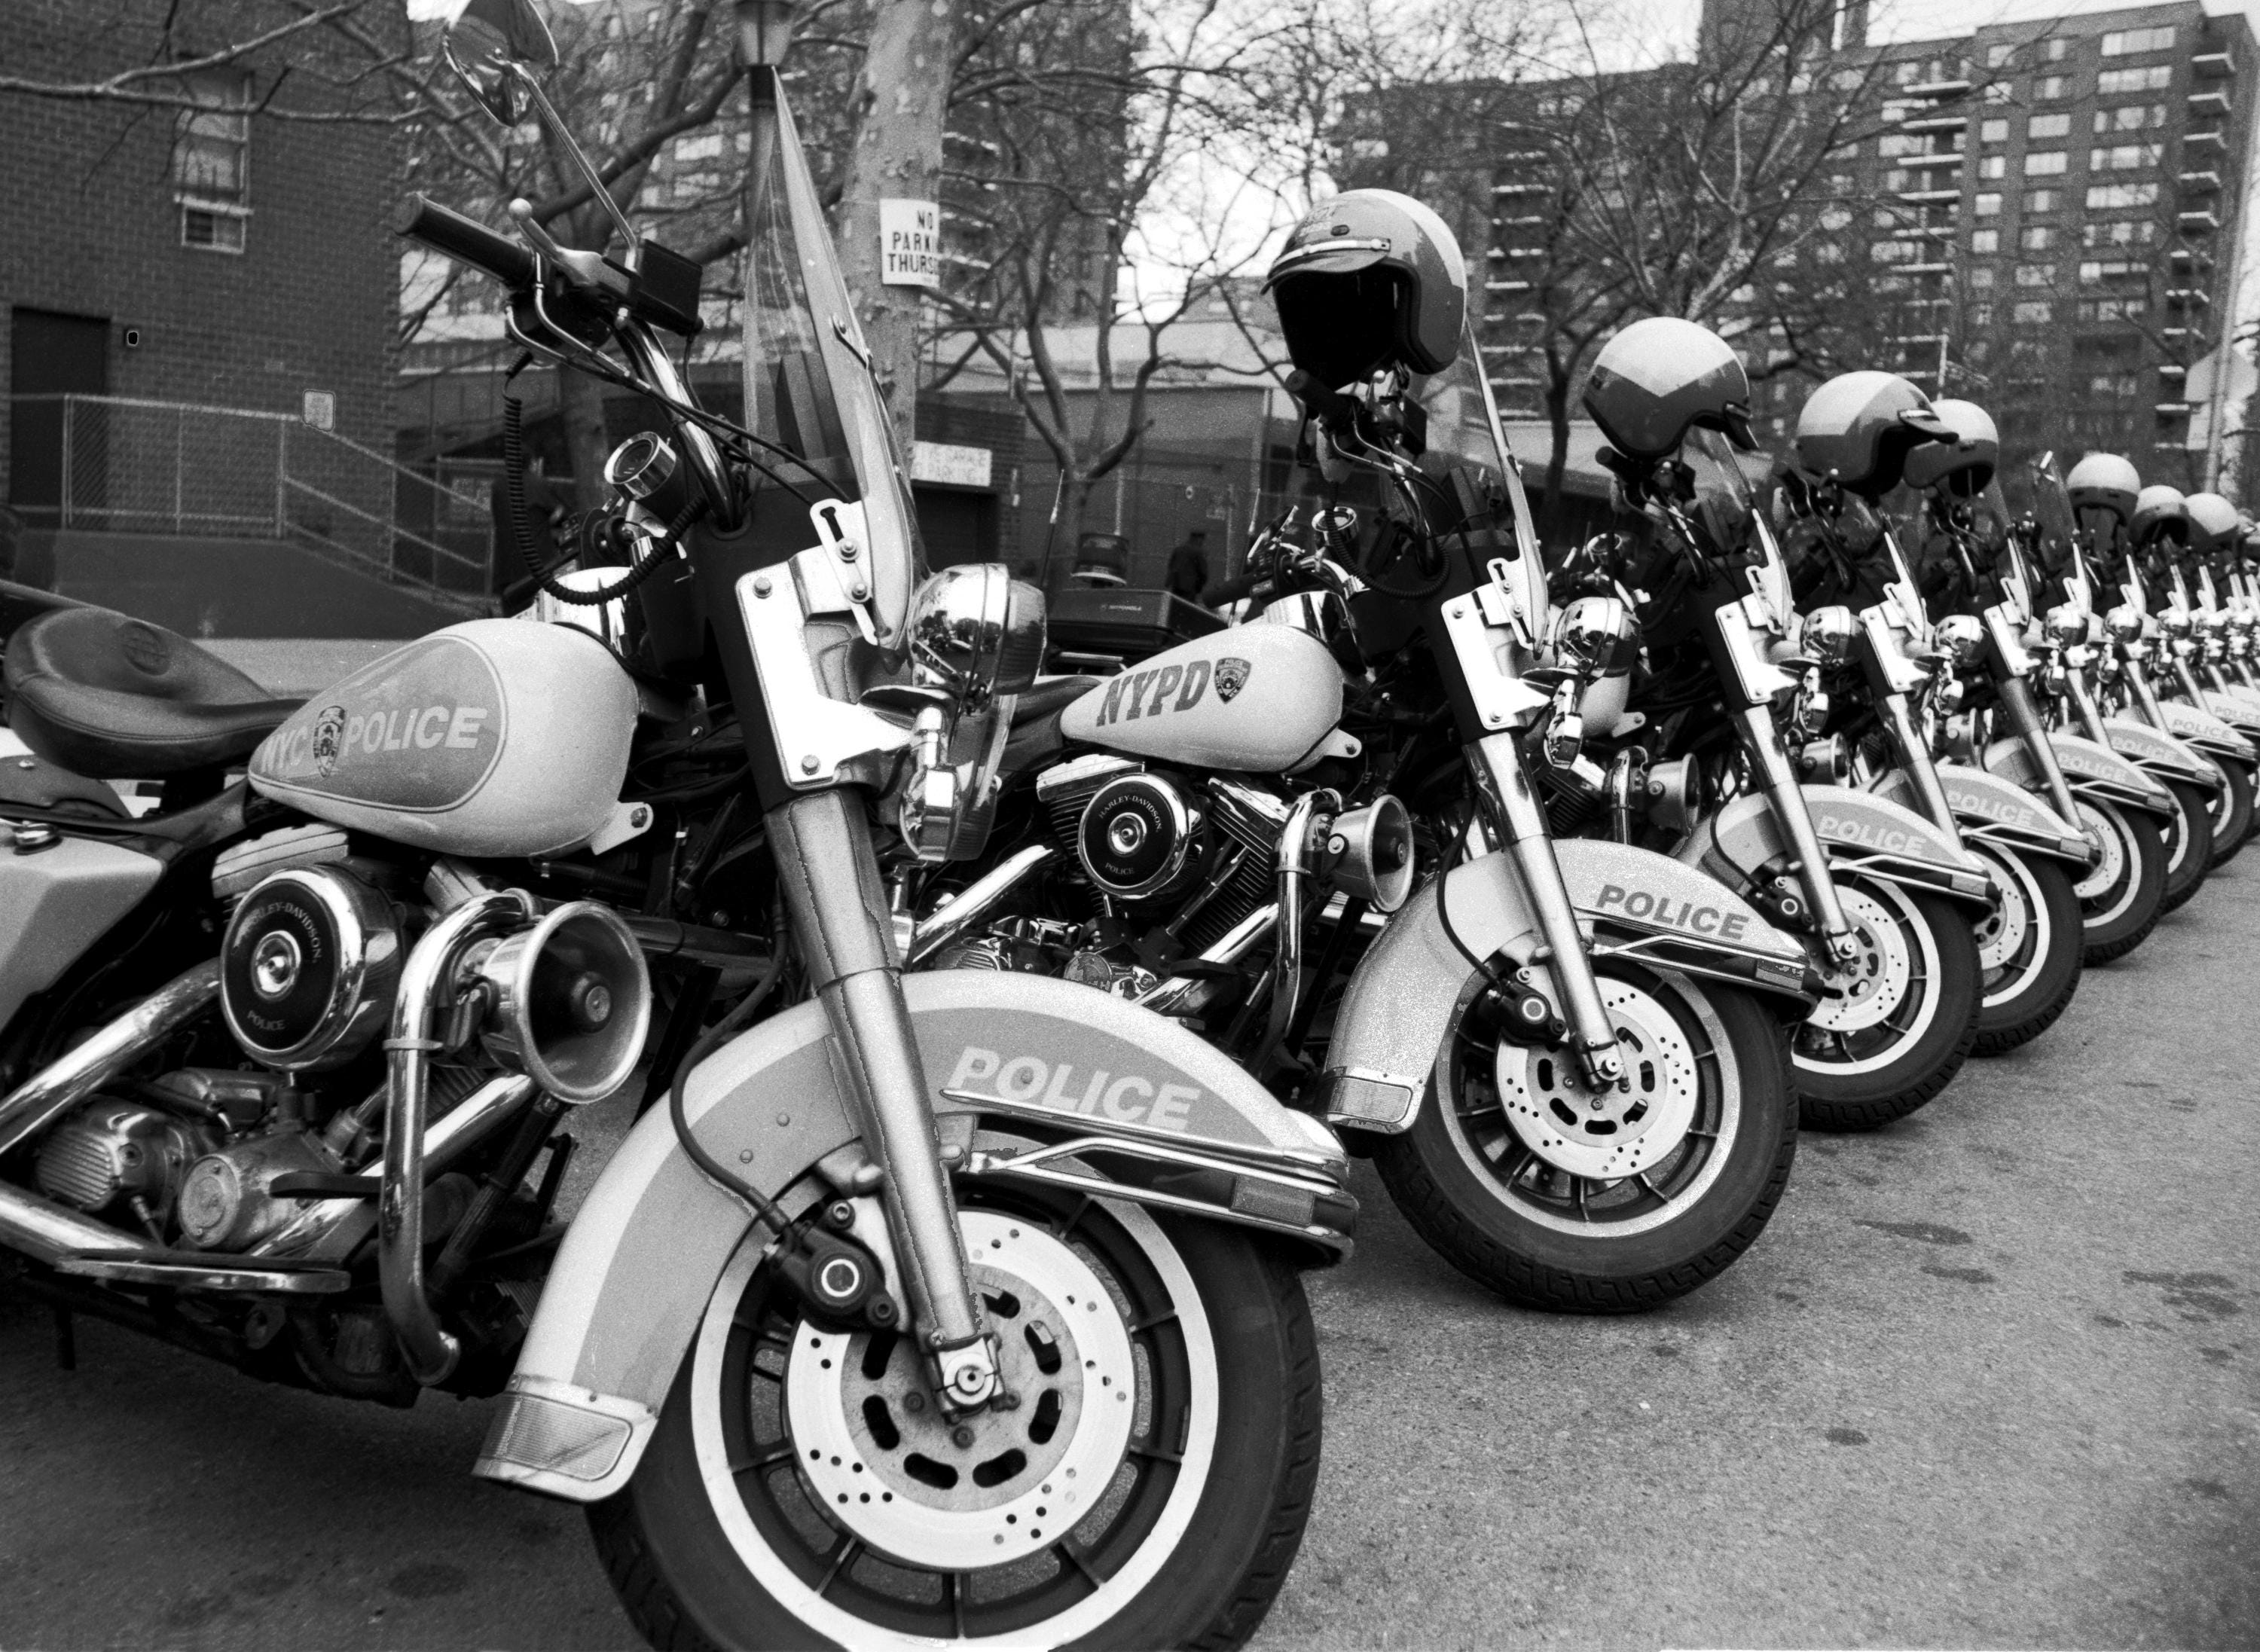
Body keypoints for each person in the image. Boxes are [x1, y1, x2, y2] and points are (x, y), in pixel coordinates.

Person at [1165, 527, 1209, 602]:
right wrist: (1200, 585)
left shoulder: (1178, 549)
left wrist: (1168, 582)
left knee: (1176, 607)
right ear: (1199, 539)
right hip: (1190, 587)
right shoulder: (1198, 552)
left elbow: (1171, 566)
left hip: (1176, 585)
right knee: (1187, 608)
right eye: (1202, 540)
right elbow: (1203, 572)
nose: (1202, 542)